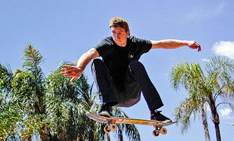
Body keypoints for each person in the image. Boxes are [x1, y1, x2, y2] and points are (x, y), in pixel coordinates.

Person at [60, 17, 201, 122]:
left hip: (131, 93)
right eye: (114, 32)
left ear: (127, 32)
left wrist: (185, 42)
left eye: (120, 32)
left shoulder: (136, 44)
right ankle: (106, 107)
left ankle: (155, 112)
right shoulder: (107, 44)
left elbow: (162, 44)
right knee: (96, 62)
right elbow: (89, 53)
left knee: (135, 65)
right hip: (113, 95)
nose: (116, 36)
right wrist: (80, 67)